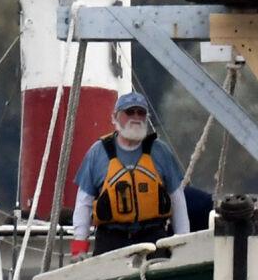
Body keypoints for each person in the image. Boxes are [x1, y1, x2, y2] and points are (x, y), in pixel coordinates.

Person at [69, 92, 192, 257]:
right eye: (129, 112)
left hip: (153, 239)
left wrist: (183, 244)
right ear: (115, 117)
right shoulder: (97, 153)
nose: (136, 117)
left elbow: (177, 200)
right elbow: (83, 204)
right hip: (111, 241)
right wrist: (79, 248)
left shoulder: (161, 152)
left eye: (140, 112)